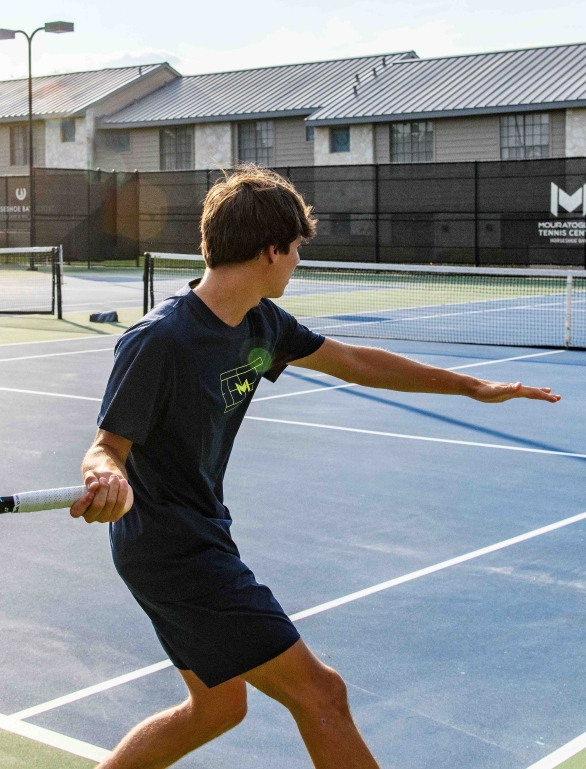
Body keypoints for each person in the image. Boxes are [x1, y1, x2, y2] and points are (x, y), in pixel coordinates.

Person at [71, 167, 560, 769]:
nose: (298, 261)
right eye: (297, 249)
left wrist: (470, 387)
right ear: (270, 250)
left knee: (218, 708)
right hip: (173, 549)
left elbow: (356, 361)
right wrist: (106, 476)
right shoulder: (160, 341)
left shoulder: (260, 324)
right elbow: (107, 446)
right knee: (321, 692)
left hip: (197, 532)